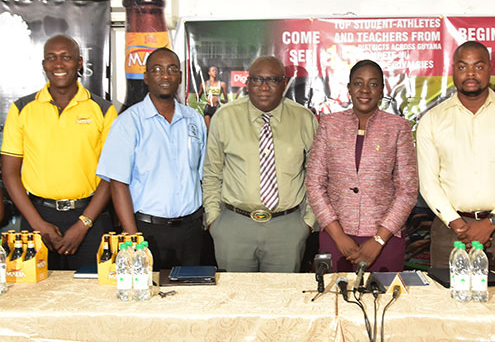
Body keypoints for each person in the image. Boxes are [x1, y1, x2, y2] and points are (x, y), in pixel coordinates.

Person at [417, 41, 495, 270]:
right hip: (449, 231)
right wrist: (458, 224)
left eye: (478, 66)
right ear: (453, 71)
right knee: (446, 302)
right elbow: (428, 182)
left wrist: (491, 223)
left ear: (490, 69)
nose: (470, 73)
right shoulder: (432, 120)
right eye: (463, 67)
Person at [1, 35, 116, 270]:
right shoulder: (22, 109)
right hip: (37, 216)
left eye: (66, 57)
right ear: (44, 65)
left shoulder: (104, 110)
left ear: (80, 62)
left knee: (92, 297)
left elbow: (111, 173)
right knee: (34, 300)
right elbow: (10, 173)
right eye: (51, 58)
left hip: (90, 218)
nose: (59, 64)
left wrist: (83, 224)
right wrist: (37, 224)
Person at [203, 56, 317, 272]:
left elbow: (315, 175)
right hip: (234, 227)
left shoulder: (304, 119)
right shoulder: (225, 117)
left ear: (284, 83)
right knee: (234, 299)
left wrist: (307, 223)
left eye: (272, 80)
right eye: (257, 80)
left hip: (287, 229)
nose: (264, 87)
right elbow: (212, 173)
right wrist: (213, 220)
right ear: (247, 83)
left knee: (282, 300)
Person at [96, 48, 207, 270]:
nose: (165, 76)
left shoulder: (194, 119)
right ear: (146, 77)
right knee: (149, 297)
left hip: (192, 231)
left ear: (180, 77)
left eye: (171, 69)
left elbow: (203, 175)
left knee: (192, 298)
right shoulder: (128, 122)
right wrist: (133, 238)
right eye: (156, 70)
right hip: (147, 231)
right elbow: (118, 183)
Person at [306, 60, 418, 272]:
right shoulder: (329, 125)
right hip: (336, 236)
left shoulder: (398, 127)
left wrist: (378, 239)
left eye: (373, 84)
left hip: (385, 239)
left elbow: (408, 190)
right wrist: (338, 235)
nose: (365, 90)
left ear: (382, 90)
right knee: (336, 301)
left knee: (384, 300)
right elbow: (314, 183)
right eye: (358, 83)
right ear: (349, 88)